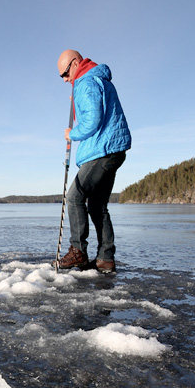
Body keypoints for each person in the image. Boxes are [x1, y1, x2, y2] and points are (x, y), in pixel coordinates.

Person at [54, 49, 132, 274]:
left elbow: (93, 120)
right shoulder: (94, 79)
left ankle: (78, 251)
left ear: (75, 63)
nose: (65, 80)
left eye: (65, 74)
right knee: (97, 206)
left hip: (102, 151)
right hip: (113, 150)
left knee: (74, 196)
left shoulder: (86, 82)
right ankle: (105, 259)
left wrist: (72, 134)